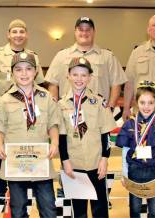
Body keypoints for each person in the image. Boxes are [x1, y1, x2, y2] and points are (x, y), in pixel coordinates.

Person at [0, 18, 44, 197]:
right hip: (5, 112)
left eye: (21, 31)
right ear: (8, 34)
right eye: (14, 31)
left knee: (26, 149)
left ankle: (27, 182)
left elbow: (40, 85)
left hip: (28, 113)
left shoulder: (34, 56)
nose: (18, 35)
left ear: (26, 35)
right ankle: (0, 188)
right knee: (1, 150)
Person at [0, 51, 59, 217]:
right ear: (12, 72)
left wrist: (55, 143)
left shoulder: (46, 97)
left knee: (48, 207)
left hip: (40, 160)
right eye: (19, 69)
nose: (24, 73)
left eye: (28, 69)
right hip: (16, 162)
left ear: (36, 71)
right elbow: (0, 127)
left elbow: (53, 124)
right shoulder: (5, 99)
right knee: (18, 208)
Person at [58, 57, 116, 217]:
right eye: (75, 74)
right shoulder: (61, 105)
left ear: (90, 77)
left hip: (96, 163)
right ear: (68, 76)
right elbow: (61, 137)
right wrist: (65, 162)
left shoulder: (98, 102)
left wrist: (105, 159)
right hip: (73, 164)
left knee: (100, 208)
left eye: (84, 75)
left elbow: (106, 134)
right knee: (78, 209)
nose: (79, 79)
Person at [116, 81, 155, 218]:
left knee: (154, 211)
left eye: (150, 103)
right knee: (135, 209)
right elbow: (125, 151)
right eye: (142, 102)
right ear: (136, 103)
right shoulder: (130, 124)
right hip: (134, 172)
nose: (146, 107)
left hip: (154, 173)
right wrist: (124, 174)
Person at [45, 16, 127, 107]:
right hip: (67, 112)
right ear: (75, 32)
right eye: (80, 29)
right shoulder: (61, 56)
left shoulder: (108, 57)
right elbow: (53, 84)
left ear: (94, 32)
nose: (84, 33)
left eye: (88, 30)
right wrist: (55, 109)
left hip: (98, 111)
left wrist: (109, 108)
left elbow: (116, 84)